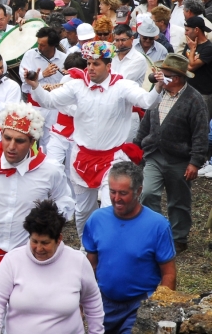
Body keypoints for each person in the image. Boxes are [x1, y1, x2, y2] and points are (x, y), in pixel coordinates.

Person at [25, 41, 164, 239]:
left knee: (110, 208)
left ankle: (107, 249)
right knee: (83, 211)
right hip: (82, 158)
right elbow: (48, 101)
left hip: (112, 160)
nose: (90, 67)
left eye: (96, 63)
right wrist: (35, 85)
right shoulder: (76, 86)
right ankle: (85, 247)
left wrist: (158, 85)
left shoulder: (122, 86)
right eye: (88, 63)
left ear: (108, 66)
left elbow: (148, 102)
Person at [0, 102, 75, 295]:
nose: (11, 146)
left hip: (33, 256)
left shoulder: (49, 170)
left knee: (27, 317)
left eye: (19, 141)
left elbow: (65, 201)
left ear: (33, 141)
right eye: (6, 138)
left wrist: (49, 223)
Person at [0, 200, 104, 334]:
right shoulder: (12, 261)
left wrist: (96, 331)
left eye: (45, 243)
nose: (38, 248)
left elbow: (92, 301)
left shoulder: (78, 261)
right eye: (34, 241)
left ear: (58, 239)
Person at [83, 162, 176, 333]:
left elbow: (169, 273)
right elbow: (90, 267)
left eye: (123, 193)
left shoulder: (158, 225)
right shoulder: (97, 220)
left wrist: (160, 307)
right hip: (104, 304)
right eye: (112, 191)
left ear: (138, 191)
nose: (116, 198)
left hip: (139, 306)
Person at [136, 53, 207, 254]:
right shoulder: (157, 94)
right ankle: (156, 233)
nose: (159, 77)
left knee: (179, 201)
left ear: (175, 78)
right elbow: (146, 124)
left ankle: (178, 238)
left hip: (180, 159)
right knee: (148, 193)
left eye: (163, 74)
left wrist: (195, 162)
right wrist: (137, 146)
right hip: (154, 155)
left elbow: (200, 134)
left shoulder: (195, 100)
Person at [18, 26, 66, 148]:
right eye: (38, 44)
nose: (39, 48)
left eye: (43, 45)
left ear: (53, 45)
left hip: (55, 106)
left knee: (49, 142)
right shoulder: (30, 55)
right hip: (35, 105)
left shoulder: (64, 58)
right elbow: (24, 78)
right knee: (29, 139)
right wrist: (42, 74)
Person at [183, 16, 212, 117]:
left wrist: (192, 51)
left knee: (202, 124)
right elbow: (182, 63)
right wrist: (192, 57)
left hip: (203, 93)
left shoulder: (208, 48)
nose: (185, 33)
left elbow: (191, 67)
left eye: (187, 30)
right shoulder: (190, 43)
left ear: (196, 30)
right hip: (187, 90)